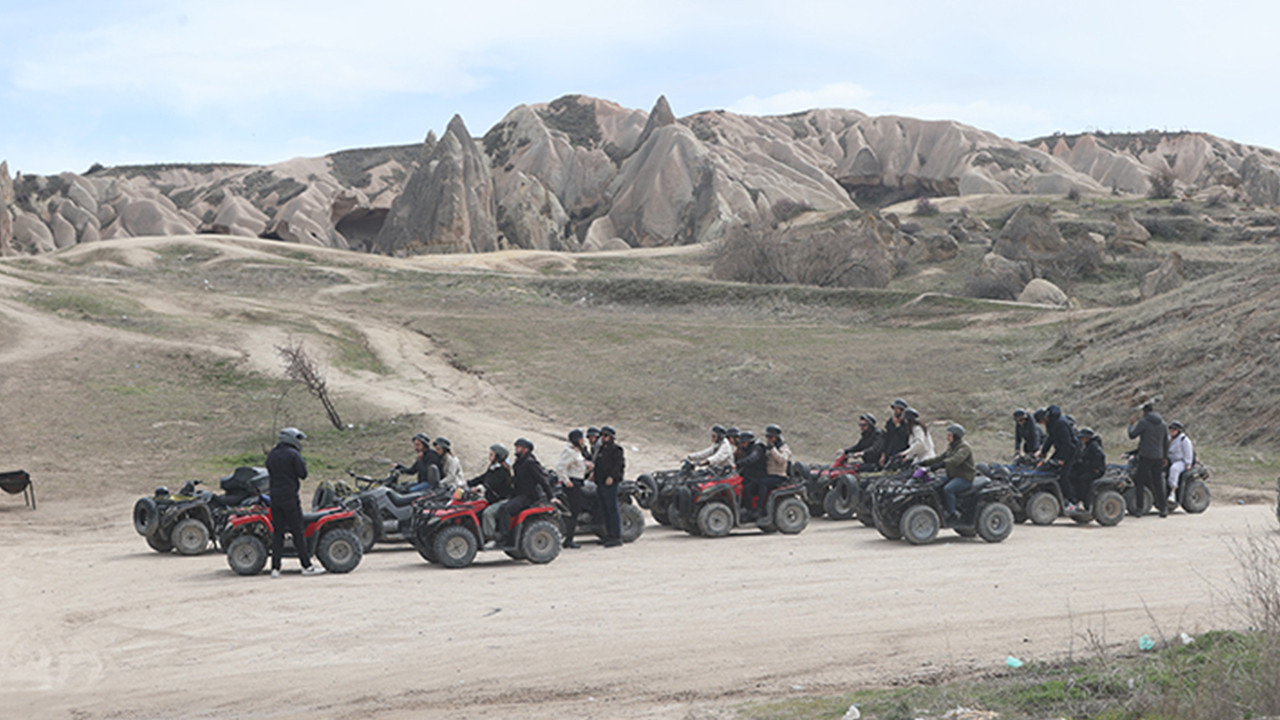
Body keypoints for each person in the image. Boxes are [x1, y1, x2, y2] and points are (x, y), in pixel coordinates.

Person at [266, 427, 324, 577]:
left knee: (278, 533)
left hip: (274, 497)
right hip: (290, 497)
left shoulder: (272, 454)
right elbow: (303, 474)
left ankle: (275, 568)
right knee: (297, 531)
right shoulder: (293, 454)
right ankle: (306, 566)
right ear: (291, 439)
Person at [495, 438, 554, 546]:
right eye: (516, 447)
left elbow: (542, 480)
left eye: (518, 447)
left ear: (525, 449)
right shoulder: (519, 463)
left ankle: (504, 537)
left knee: (505, 509)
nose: (516, 449)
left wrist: (551, 497)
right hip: (518, 494)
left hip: (528, 496)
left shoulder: (530, 463)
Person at [921, 423, 974, 523]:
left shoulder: (964, 448)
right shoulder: (952, 447)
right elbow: (940, 458)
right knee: (934, 483)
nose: (947, 437)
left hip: (964, 478)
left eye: (949, 435)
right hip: (952, 476)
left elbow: (955, 460)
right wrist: (924, 462)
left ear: (956, 436)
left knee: (948, 489)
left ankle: (952, 513)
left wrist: (941, 465)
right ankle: (941, 507)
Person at [1128, 401, 1171, 517]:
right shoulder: (1162, 424)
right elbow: (1165, 442)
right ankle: (1163, 508)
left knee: (1140, 482)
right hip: (1158, 457)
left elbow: (1132, 435)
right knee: (1158, 483)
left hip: (1145, 456)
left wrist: (1131, 425)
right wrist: (1165, 456)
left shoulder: (1144, 422)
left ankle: (1139, 509)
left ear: (1145, 412)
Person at [1036, 405, 1081, 511]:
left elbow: (1067, 443)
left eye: (1041, 422)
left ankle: (1072, 502)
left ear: (1045, 418)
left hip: (1071, 451)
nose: (1041, 424)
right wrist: (1043, 452)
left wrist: (1062, 459)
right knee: (1049, 467)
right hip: (1061, 449)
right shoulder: (1050, 423)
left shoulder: (1061, 423)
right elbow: (1050, 438)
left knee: (1063, 476)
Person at [467, 444, 513, 541]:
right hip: (491, 499)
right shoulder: (493, 468)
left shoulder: (502, 471)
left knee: (488, 513)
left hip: (502, 500)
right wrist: (468, 483)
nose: (489, 456)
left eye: (492, 454)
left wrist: (479, 488)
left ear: (498, 456)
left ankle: (491, 537)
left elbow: (491, 483)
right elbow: (483, 478)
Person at [556, 429, 590, 549]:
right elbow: (560, 467)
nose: (583, 441)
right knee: (573, 512)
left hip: (579, 482)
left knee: (576, 511)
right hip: (572, 484)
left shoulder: (577, 451)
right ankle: (568, 539)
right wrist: (566, 481)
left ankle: (570, 538)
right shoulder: (569, 451)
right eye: (581, 439)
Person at [591, 426, 625, 547]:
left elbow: (619, 465)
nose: (603, 438)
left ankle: (616, 536)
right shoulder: (601, 449)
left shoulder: (616, 450)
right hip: (600, 482)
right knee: (604, 510)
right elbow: (598, 464)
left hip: (610, 483)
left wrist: (612, 477)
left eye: (606, 436)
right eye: (602, 436)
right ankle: (609, 535)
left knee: (612, 509)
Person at [758, 424, 792, 520]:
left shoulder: (784, 448)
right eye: (767, 436)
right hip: (770, 475)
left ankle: (761, 509)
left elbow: (782, 460)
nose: (768, 439)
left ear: (776, 437)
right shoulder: (769, 447)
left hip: (779, 476)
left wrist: (773, 449)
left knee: (763, 483)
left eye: (770, 437)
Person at [734, 431, 766, 519]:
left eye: (744, 442)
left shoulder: (757, 448)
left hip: (758, 476)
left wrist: (738, 463)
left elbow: (752, 458)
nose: (742, 445)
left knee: (747, 488)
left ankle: (749, 511)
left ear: (749, 442)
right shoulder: (747, 449)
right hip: (750, 475)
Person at [1072, 427, 1107, 504]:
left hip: (1096, 471)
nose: (1081, 439)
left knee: (1082, 479)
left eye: (1082, 438)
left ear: (1087, 438)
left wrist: (1096, 467)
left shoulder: (1094, 445)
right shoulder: (1088, 445)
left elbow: (1101, 455)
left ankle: (1084, 500)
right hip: (1089, 468)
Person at [1167, 420, 1194, 505]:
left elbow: (1188, 452)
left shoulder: (1184, 439)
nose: (1172, 431)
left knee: (1174, 469)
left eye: (1174, 429)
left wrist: (1188, 464)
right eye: (1170, 429)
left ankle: (1173, 492)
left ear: (1178, 430)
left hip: (1181, 461)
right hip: (1170, 459)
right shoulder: (1169, 438)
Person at [880, 399, 910, 467]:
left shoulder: (906, 423)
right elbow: (887, 438)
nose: (895, 411)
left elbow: (905, 436)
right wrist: (883, 454)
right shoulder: (891, 422)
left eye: (897, 409)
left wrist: (898, 426)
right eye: (895, 409)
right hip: (890, 451)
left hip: (902, 452)